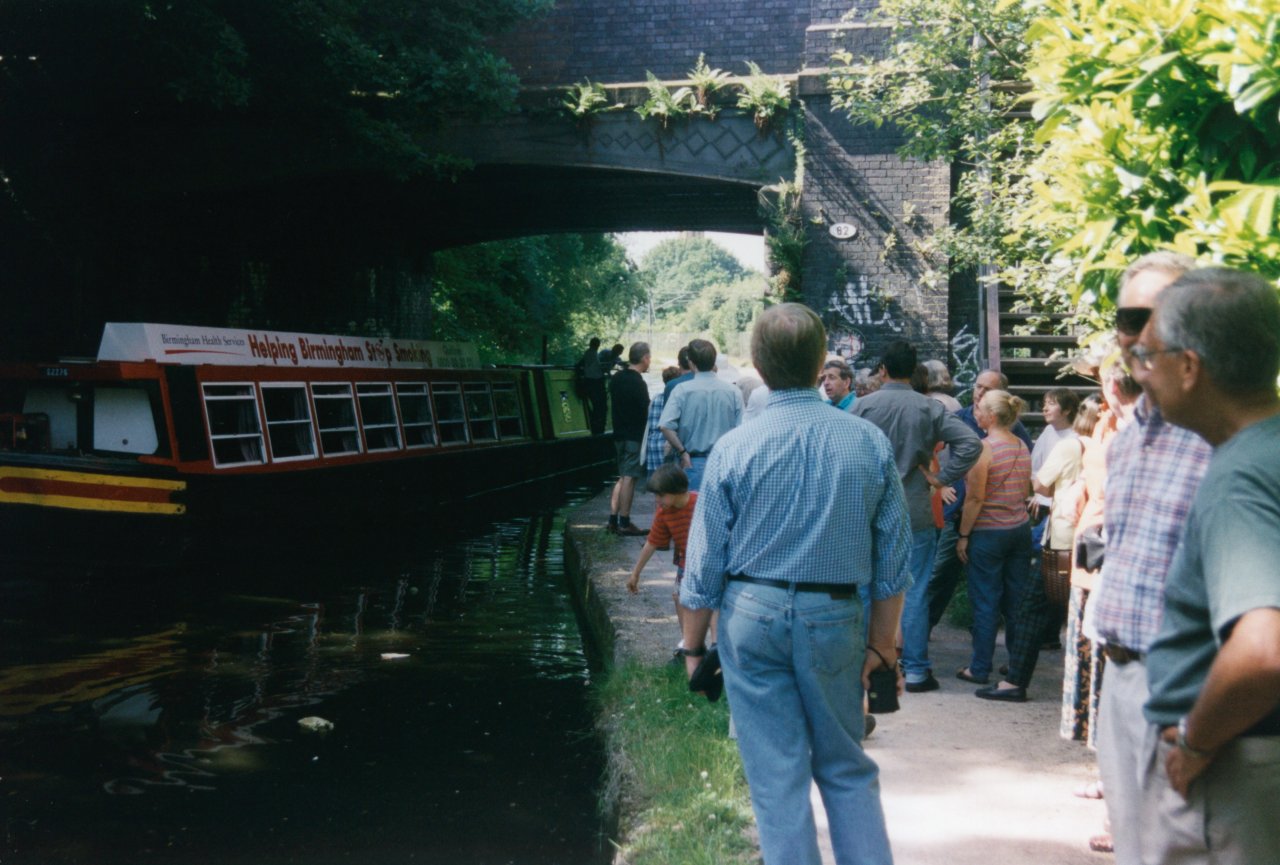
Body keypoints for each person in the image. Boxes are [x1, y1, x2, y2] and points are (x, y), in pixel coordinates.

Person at [679, 303, 911, 865]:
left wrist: (692, 647)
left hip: (750, 614)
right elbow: (893, 558)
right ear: (819, 364)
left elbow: (704, 565)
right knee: (845, 766)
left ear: (758, 364)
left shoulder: (735, 447)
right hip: (834, 615)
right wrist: (884, 645)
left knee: (777, 776)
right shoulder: (867, 442)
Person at [1133, 267, 1280, 864]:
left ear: (1190, 367)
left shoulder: (1238, 479)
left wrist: (1195, 741)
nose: (1141, 369)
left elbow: (1264, 648)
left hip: (1235, 769)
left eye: (1150, 353)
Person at [1087, 253, 1209, 865]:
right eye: (1125, 317)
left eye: (1151, 315)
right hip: (1124, 678)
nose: (1135, 333)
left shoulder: (1220, 432)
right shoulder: (1133, 431)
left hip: (1191, 696)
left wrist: (1203, 731)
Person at [853, 340, 981, 693]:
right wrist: (942, 477)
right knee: (916, 589)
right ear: (914, 370)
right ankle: (916, 670)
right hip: (914, 507)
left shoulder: (862, 406)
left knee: (865, 587)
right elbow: (972, 444)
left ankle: (862, 663)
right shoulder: (929, 408)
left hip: (870, 506)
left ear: (882, 370)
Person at [927, 369, 1033, 633]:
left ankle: (992, 643)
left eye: (987, 389)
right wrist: (939, 486)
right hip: (958, 513)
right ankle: (920, 630)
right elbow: (930, 452)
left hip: (993, 520)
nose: (979, 393)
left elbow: (1026, 463)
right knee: (940, 575)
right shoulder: (958, 419)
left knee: (994, 587)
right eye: (978, 386)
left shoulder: (1012, 428)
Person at [953, 388, 1034, 700]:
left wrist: (963, 535)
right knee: (1015, 601)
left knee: (985, 600)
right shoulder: (1021, 446)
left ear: (990, 416)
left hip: (988, 532)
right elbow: (1025, 487)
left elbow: (974, 498)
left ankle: (979, 665)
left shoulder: (983, 449)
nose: (976, 412)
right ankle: (1015, 665)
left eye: (980, 408)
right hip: (1019, 529)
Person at [1038, 395, 1103, 743]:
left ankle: (1018, 678)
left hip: (1067, 531)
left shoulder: (1069, 446)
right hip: (1092, 535)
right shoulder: (1101, 445)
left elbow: (1040, 484)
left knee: (1044, 603)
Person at [625, 464, 704, 649]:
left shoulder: (701, 503)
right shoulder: (664, 514)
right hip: (686, 560)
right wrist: (635, 573)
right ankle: (689, 643)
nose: (657, 500)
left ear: (676, 490)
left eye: (661, 495)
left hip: (709, 560)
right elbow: (652, 542)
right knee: (678, 596)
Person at [658, 339, 742, 492]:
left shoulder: (681, 390)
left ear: (690, 362)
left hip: (692, 461)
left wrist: (682, 452)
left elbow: (665, 426)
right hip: (725, 462)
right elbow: (741, 429)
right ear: (713, 360)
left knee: (692, 512)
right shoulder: (733, 391)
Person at [607, 342, 651, 536]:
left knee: (622, 476)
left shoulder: (616, 378)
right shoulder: (638, 382)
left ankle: (612, 519)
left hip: (618, 434)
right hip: (634, 435)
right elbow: (645, 409)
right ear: (644, 358)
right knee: (630, 478)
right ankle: (624, 522)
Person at [643, 366, 682, 475]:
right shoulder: (677, 398)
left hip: (653, 445)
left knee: (655, 483)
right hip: (668, 443)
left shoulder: (655, 398)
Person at [579, 337, 608, 435]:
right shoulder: (592, 353)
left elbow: (583, 364)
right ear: (597, 345)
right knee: (600, 406)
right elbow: (596, 368)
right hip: (595, 381)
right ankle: (599, 428)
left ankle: (594, 426)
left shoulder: (589, 353)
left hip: (589, 380)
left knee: (595, 405)